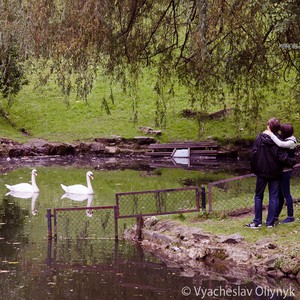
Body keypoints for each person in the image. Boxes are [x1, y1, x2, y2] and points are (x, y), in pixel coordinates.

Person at [247, 118, 297, 228]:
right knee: (273, 197)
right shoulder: (279, 141)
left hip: (262, 172)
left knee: (258, 196)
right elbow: (282, 157)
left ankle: (257, 221)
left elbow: (253, 155)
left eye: (267, 124)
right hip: (275, 173)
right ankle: (270, 222)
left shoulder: (259, 139)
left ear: (269, 126)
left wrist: (255, 169)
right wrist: (293, 161)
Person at [264, 123, 297, 223]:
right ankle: (276, 215)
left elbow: (280, 144)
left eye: (281, 131)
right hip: (283, 171)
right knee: (280, 195)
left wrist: (271, 134)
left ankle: (290, 216)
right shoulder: (290, 139)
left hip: (286, 171)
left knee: (286, 194)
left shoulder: (290, 142)